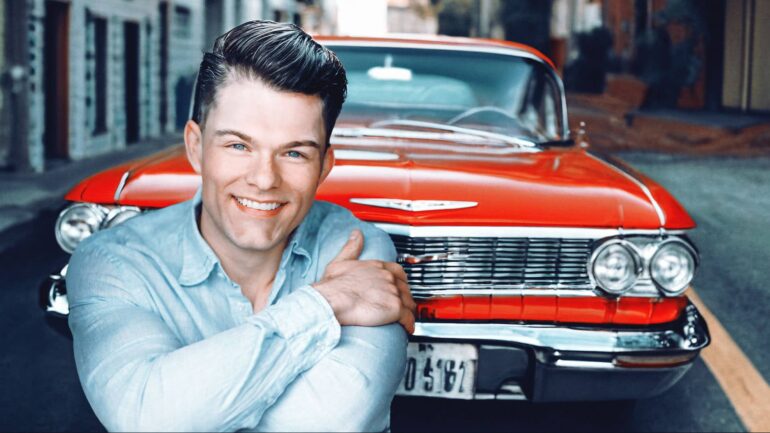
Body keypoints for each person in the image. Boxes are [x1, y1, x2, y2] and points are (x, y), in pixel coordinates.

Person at [67, 20, 416, 432]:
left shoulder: (358, 250)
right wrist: (323, 304)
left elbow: (330, 420)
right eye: (238, 145)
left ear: (324, 166)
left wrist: (194, 407)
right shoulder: (112, 263)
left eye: (294, 154)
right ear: (196, 148)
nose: (264, 179)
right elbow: (146, 417)